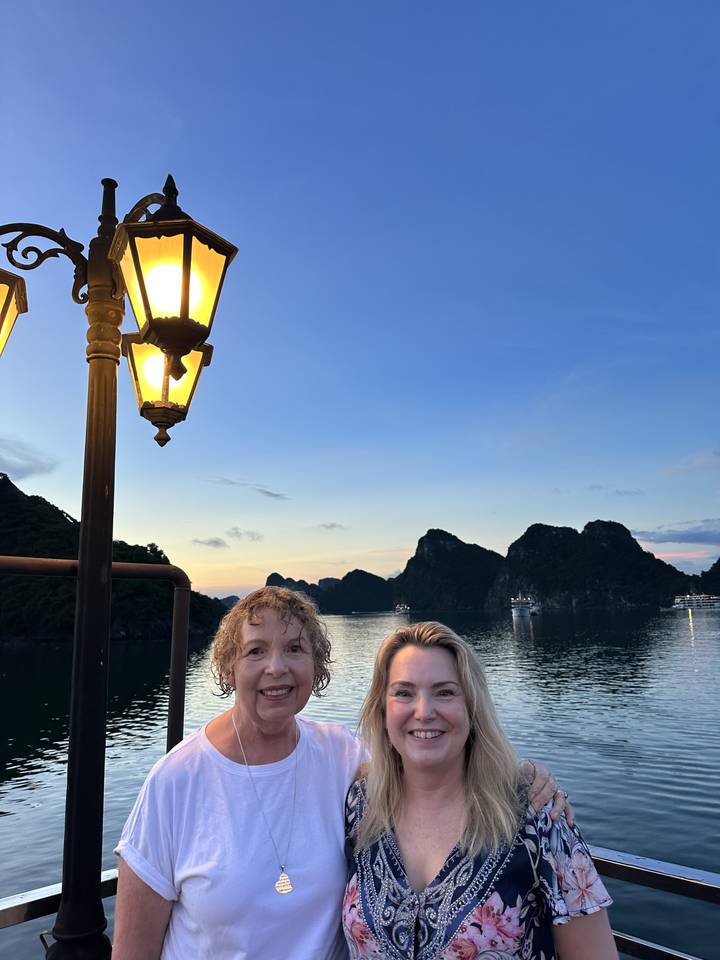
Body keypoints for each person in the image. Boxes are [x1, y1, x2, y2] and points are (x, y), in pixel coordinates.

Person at [113, 588, 571, 960]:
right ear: (229, 668)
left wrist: (519, 774)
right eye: (256, 651)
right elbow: (132, 951)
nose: (277, 667)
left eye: (295, 648)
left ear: (317, 667)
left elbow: (425, 760)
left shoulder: (339, 755)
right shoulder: (175, 781)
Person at [343, 621, 617, 959]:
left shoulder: (537, 817)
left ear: (472, 707)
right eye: (404, 692)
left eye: (445, 692)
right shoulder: (360, 806)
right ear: (382, 709)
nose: (424, 711)